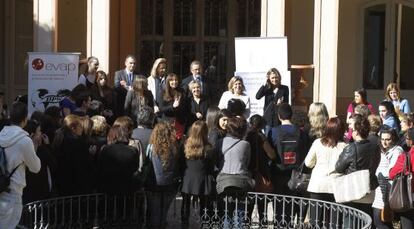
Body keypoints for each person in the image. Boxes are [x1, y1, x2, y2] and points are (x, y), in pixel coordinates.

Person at [0, 102, 41, 229]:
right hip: (13, 193)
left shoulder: (0, 135)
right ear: (24, 120)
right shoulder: (24, 141)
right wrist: (34, 146)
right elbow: (36, 168)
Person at [334, 114, 381, 223]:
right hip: (369, 190)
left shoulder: (351, 148)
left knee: (350, 223)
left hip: (353, 191)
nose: (350, 131)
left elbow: (338, 167)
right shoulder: (375, 146)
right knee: (365, 223)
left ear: (356, 131)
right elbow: (376, 163)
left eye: (351, 128)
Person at [304, 117, 347, 227]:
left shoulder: (317, 143)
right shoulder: (345, 146)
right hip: (336, 186)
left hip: (317, 185)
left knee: (315, 220)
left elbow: (308, 163)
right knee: (334, 222)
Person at [146, 122, 180, 229]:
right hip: (170, 183)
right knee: (164, 212)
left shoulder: (151, 147)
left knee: (154, 211)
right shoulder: (174, 147)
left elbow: (147, 163)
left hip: (154, 183)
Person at [181, 121, 216, 225]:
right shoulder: (209, 148)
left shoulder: (186, 145)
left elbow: (181, 162)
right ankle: (204, 225)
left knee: (185, 205)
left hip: (188, 179)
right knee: (204, 207)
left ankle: (184, 224)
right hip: (204, 179)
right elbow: (211, 166)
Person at [372, 127, 403, 228]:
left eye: (388, 139)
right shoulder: (380, 149)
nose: (384, 142)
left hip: (389, 189)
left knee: (380, 221)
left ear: (393, 138)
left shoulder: (397, 151)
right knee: (381, 221)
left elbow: (392, 171)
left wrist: (379, 173)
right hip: (379, 189)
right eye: (382, 139)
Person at [97, 125, 140, 194]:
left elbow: (100, 167)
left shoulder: (106, 149)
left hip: (109, 188)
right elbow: (135, 168)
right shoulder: (133, 150)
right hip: (127, 189)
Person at [23, 119, 55, 204]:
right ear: (33, 134)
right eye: (39, 131)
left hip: (36, 191)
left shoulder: (41, 149)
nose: (41, 133)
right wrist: (47, 146)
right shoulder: (42, 150)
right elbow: (53, 163)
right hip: (35, 191)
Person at [389, 128, 414, 229]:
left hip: (409, 197)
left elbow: (391, 174)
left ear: (412, 140)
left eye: (407, 138)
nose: (405, 140)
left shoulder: (405, 157)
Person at [245, 115, 276, 193]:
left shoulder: (244, 136)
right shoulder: (261, 137)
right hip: (260, 172)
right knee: (262, 200)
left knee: (248, 202)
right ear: (262, 126)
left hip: (246, 172)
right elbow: (272, 155)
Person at [255, 68, 289, 134]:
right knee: (267, 138)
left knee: (277, 139)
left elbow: (286, 103)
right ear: (269, 78)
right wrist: (264, 84)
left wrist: (281, 104)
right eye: (272, 78)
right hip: (268, 119)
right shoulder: (267, 88)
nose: (274, 79)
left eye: (276, 77)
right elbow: (257, 97)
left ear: (279, 77)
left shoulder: (284, 88)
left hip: (278, 119)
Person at [159, 73, 187, 140]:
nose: (174, 82)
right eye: (172, 80)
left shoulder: (182, 91)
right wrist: (173, 106)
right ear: (168, 82)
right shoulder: (163, 92)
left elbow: (185, 106)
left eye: (176, 80)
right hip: (167, 122)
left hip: (179, 122)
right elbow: (162, 109)